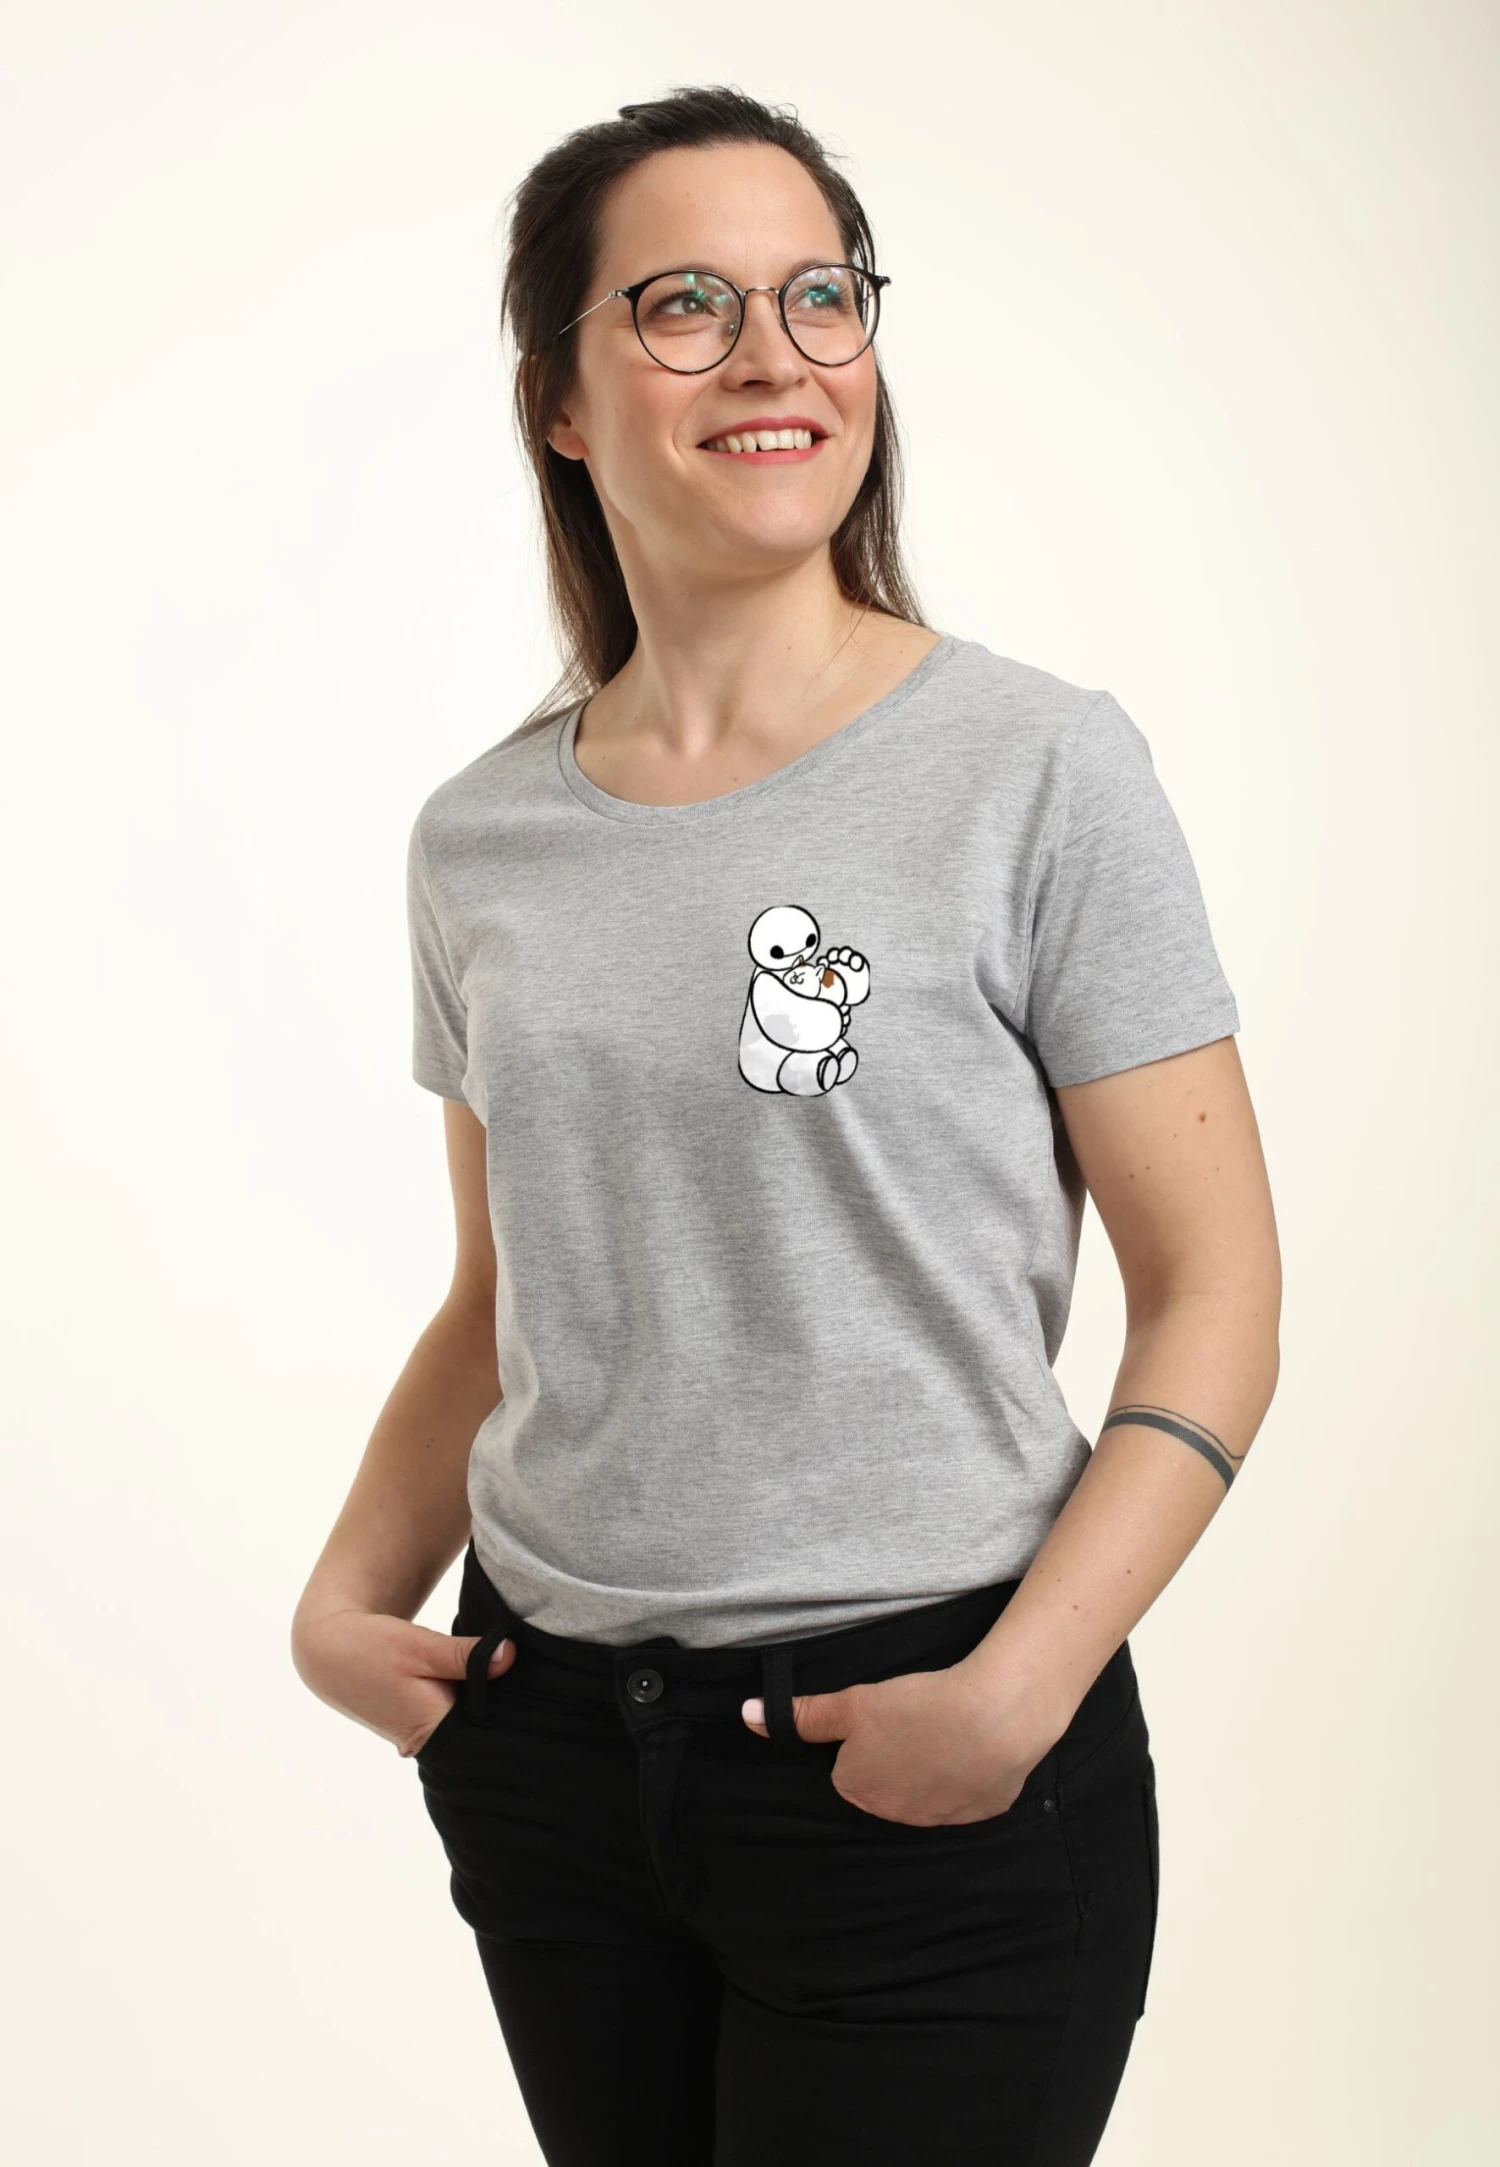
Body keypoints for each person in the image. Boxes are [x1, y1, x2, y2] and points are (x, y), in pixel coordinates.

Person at [291, 83, 1281, 2167]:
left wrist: (1018, 1691)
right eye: (687, 304)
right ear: (560, 400)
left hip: (923, 1742)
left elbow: (1215, 1297)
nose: (775, 355)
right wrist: (343, 1597)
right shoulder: (479, 837)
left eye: (821, 296)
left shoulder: (1039, 770)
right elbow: (501, 1295)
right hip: (554, 1748)